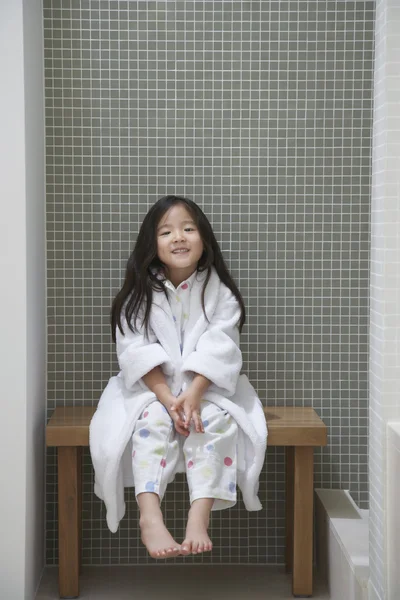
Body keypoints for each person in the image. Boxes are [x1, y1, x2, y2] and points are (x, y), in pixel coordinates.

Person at [89, 195, 267, 560]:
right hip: (151, 391)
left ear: (204, 240)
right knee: (151, 420)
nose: (179, 237)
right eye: (166, 231)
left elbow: (222, 347)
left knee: (213, 422)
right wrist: (168, 399)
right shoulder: (138, 294)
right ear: (151, 244)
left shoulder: (221, 294)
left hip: (208, 390)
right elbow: (134, 352)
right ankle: (149, 514)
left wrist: (196, 392)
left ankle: (198, 516)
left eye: (188, 228)